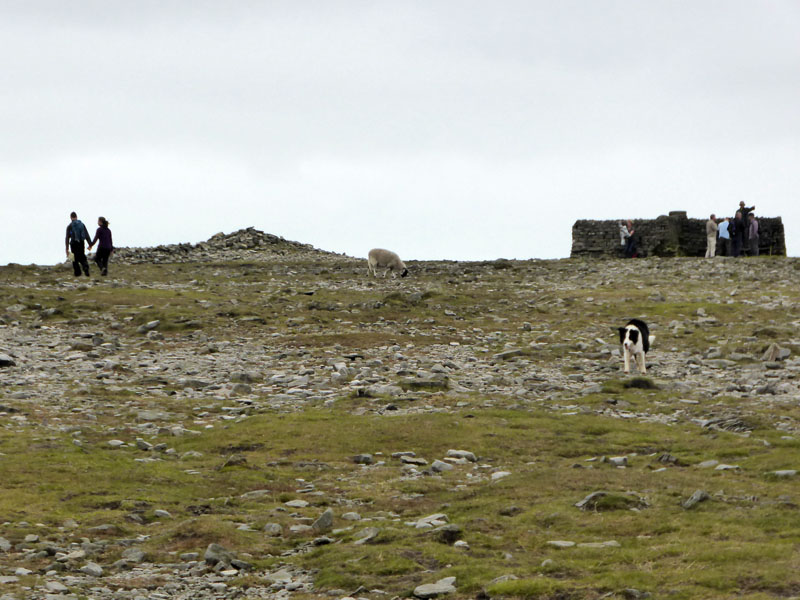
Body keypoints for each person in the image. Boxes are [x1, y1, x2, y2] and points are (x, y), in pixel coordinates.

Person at [65, 211, 91, 276]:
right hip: (81, 243)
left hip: (73, 244)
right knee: (82, 256)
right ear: (76, 217)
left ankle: (77, 273)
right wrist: (90, 244)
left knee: (74, 258)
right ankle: (85, 268)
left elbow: (67, 238)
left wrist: (67, 248)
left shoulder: (69, 226)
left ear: (71, 217)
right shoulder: (82, 224)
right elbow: (86, 235)